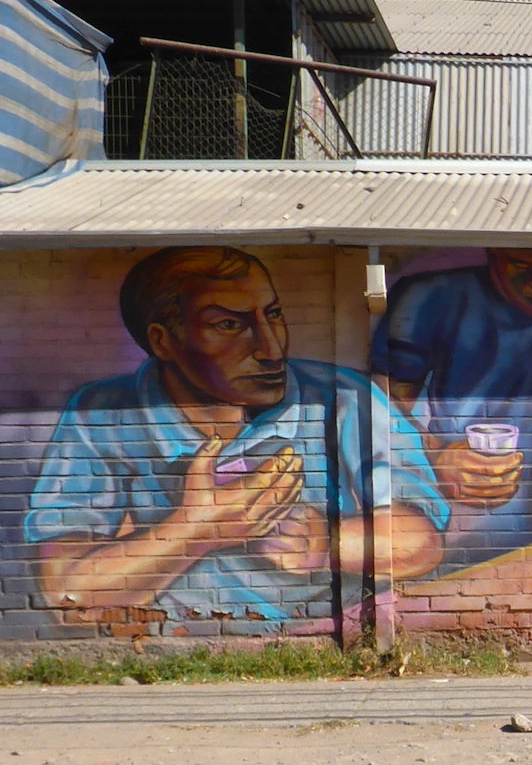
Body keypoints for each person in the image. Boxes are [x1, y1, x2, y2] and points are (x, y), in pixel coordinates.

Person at [27, 247, 447, 632]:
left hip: (322, 639)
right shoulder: (102, 414)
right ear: (162, 340)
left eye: (274, 315)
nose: (271, 349)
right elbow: (67, 594)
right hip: (180, 649)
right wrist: (194, 529)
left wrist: (327, 543)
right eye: (229, 324)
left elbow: (420, 541)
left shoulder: (344, 397)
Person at [370, 249, 532, 566]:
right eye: (522, 266)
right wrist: (433, 456)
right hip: (465, 508)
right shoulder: (430, 298)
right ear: (494, 254)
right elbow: (382, 403)